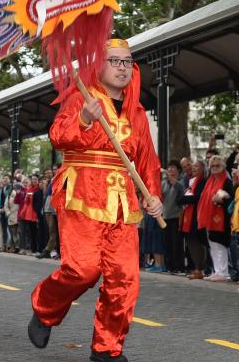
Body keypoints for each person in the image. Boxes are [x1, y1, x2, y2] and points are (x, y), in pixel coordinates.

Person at [28, 38, 163, 362]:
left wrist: (154, 194)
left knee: (125, 278)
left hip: (123, 203)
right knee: (83, 269)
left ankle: (107, 348)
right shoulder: (81, 99)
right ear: (98, 66)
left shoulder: (138, 114)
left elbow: (147, 161)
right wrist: (85, 119)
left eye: (127, 62)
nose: (121, 67)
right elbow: (59, 136)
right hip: (83, 193)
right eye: (114, 61)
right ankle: (45, 310)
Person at [198, 155, 234, 282]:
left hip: (221, 218)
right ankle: (217, 270)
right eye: (212, 166)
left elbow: (231, 199)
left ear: (223, 167)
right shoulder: (210, 181)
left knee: (220, 245)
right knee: (213, 245)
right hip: (209, 217)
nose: (215, 168)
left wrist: (222, 200)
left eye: (217, 166)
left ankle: (223, 272)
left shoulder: (227, 181)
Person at [179, 159, 209, 280]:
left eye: (197, 166)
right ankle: (197, 268)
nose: (194, 168)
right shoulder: (193, 181)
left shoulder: (203, 181)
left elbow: (197, 197)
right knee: (191, 242)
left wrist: (183, 200)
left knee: (197, 243)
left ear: (203, 168)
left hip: (197, 215)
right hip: (190, 215)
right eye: (194, 166)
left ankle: (200, 269)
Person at [161, 162, 186, 275]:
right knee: (167, 243)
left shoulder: (180, 182)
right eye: (169, 167)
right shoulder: (164, 183)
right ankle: (170, 266)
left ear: (178, 170)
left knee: (177, 243)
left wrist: (168, 175)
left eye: (173, 168)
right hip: (165, 216)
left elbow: (180, 189)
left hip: (177, 216)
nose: (170, 170)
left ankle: (179, 267)